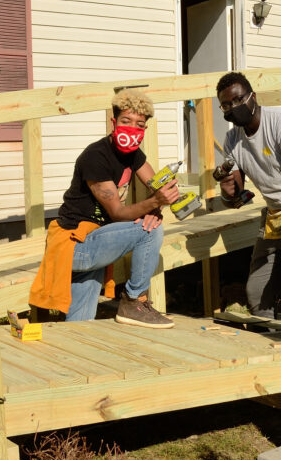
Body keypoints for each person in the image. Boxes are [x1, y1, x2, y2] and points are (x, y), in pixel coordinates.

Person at [30, 89, 178, 328]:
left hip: (95, 239)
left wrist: (158, 203)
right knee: (149, 231)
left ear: (144, 130)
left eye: (139, 125)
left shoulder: (134, 155)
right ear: (113, 122)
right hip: (74, 245)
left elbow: (156, 185)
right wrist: (155, 203)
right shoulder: (95, 157)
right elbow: (117, 213)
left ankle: (73, 356)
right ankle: (133, 301)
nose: (132, 129)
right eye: (125, 121)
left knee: (80, 325)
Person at [216, 72, 281, 320]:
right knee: (257, 295)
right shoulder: (232, 139)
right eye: (226, 105)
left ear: (253, 97)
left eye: (238, 100)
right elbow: (237, 195)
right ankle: (274, 346)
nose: (233, 107)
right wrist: (228, 191)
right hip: (275, 216)